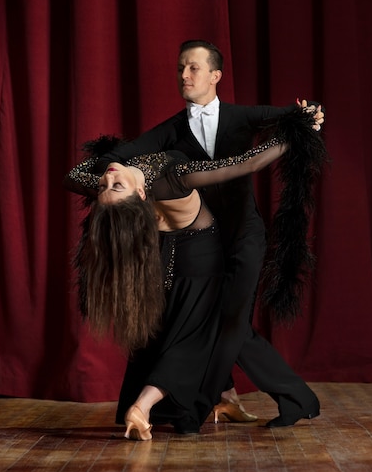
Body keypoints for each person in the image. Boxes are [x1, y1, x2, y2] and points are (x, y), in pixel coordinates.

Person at [88, 39, 326, 430]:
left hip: (244, 234)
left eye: (193, 68)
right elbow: (119, 156)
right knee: (224, 325)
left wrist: (308, 119)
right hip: (202, 243)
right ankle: (254, 398)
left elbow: (292, 117)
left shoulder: (241, 117)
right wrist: (108, 176)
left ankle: (218, 402)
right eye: (181, 68)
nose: (184, 75)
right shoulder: (171, 130)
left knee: (232, 324)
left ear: (215, 75)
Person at [65, 138, 290, 440]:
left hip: (180, 251)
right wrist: (296, 132)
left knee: (192, 330)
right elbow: (245, 164)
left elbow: (73, 176)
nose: (107, 179)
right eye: (113, 186)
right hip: (201, 256)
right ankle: (143, 406)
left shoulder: (119, 180)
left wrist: (108, 169)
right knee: (197, 334)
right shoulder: (174, 178)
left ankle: (226, 399)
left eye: (106, 186)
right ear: (143, 194)